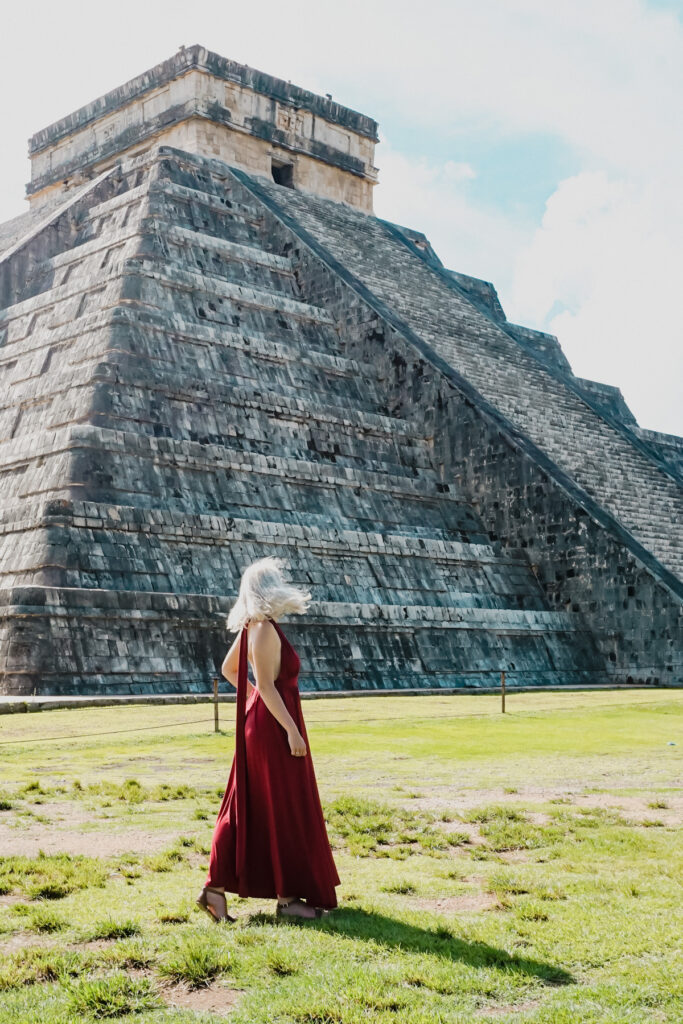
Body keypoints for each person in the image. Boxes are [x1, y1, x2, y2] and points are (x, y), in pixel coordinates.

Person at [196, 556, 341, 922]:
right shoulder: (262, 630)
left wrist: (254, 701)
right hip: (273, 728)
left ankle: (216, 889)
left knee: (253, 804)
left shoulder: (256, 627)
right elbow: (266, 686)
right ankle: (286, 899)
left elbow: (231, 670)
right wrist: (290, 728)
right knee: (281, 806)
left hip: (264, 722)